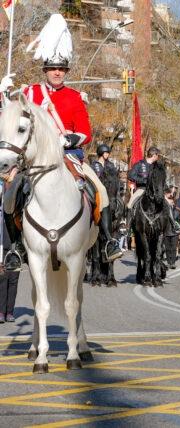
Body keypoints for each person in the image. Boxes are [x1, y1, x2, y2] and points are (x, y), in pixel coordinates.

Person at [1, 15, 123, 270]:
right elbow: (10, 118)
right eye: (52, 68)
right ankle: (16, 248)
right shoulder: (30, 92)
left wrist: (67, 138)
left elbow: (86, 132)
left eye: (61, 69)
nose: (57, 73)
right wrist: (2, 94)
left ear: (65, 71)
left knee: (99, 189)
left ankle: (110, 240)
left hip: (69, 156)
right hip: (35, 161)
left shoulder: (75, 97)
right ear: (45, 70)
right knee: (11, 197)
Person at [164, 188, 180, 270]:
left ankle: (173, 263)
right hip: (166, 231)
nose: (170, 202)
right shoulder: (165, 212)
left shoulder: (177, 211)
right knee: (167, 248)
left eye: (171, 201)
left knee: (173, 248)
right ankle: (168, 262)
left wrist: (179, 230)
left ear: (173, 202)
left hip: (174, 232)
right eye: (169, 201)